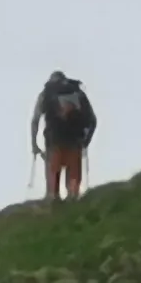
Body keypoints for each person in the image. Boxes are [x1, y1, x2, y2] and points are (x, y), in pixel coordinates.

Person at [32, 71, 97, 203]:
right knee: (73, 183)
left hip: (53, 142)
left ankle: (54, 202)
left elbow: (35, 120)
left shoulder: (46, 94)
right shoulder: (78, 94)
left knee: (53, 183)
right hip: (75, 142)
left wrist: (34, 144)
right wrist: (86, 141)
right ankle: (72, 202)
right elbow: (93, 120)